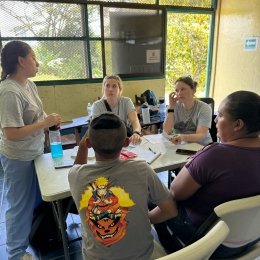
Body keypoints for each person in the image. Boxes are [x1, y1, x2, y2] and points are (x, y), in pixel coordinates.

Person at [154, 90, 260, 258]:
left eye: (221, 115)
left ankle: (174, 250)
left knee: (153, 199)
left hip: (207, 242)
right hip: (248, 241)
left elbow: (175, 192)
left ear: (238, 125)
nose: (216, 120)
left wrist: (193, 161)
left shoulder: (215, 155)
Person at [68, 113, 177, 260]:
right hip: (143, 255)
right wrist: (146, 218)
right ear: (126, 143)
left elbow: (78, 167)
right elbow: (171, 211)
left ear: (88, 143)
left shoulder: (76, 175)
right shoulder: (141, 169)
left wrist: (83, 145)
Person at [0, 41, 62, 260]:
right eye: (34, 57)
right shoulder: (8, 91)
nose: (37, 62)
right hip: (18, 157)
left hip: (35, 151)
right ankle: (15, 254)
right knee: (19, 206)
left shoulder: (29, 85)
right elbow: (11, 133)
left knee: (36, 200)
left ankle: (37, 237)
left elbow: (38, 115)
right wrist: (44, 124)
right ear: (21, 61)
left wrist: (50, 121)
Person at [91, 74, 142, 145]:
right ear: (103, 89)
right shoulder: (97, 106)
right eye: (107, 86)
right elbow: (95, 129)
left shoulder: (126, 101)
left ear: (120, 89)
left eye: (114, 86)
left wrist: (136, 133)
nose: (110, 89)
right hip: (105, 141)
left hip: (124, 140)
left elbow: (135, 121)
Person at [163, 75, 212, 145]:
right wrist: (171, 108)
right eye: (177, 90)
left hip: (201, 146)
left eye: (183, 89)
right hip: (182, 146)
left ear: (193, 90)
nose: (179, 93)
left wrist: (183, 137)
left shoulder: (204, 108)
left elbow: (200, 135)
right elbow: (166, 131)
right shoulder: (172, 107)